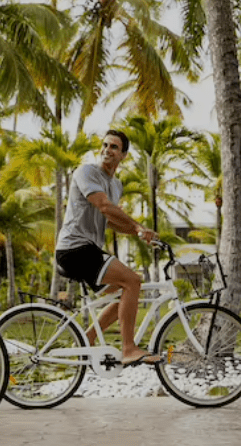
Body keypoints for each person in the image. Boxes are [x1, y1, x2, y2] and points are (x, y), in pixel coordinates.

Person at [54, 129, 160, 366]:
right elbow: (103, 206)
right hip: (75, 250)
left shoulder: (116, 185)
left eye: (114, 147)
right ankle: (129, 349)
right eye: (105, 145)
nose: (107, 151)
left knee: (125, 295)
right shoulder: (87, 172)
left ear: (123, 155)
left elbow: (109, 221)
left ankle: (87, 339)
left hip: (87, 250)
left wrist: (139, 232)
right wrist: (137, 225)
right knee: (132, 281)